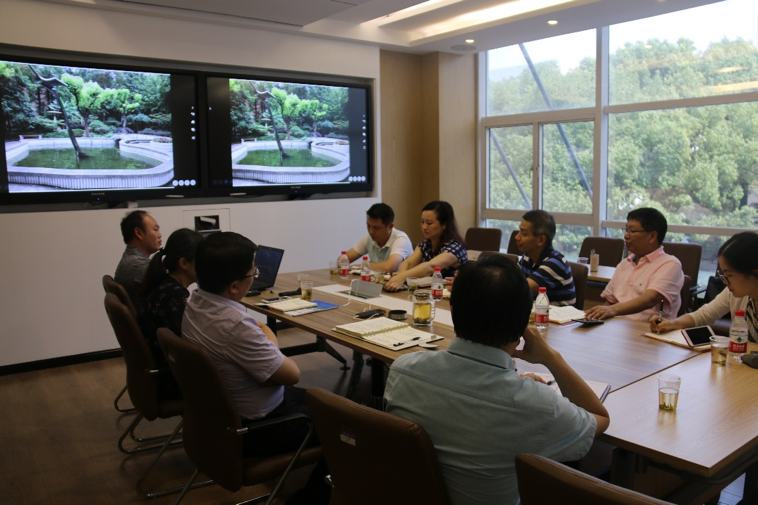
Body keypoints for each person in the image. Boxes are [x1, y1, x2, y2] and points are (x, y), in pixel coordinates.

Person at [384, 255, 610, 505]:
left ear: (453, 311)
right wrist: (552, 358)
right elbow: (598, 418)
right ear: (524, 324)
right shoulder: (538, 407)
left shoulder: (402, 370)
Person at [181, 232, 328, 503]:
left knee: (332, 402)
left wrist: (266, 359)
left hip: (219, 419)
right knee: (349, 426)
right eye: (253, 272)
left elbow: (260, 331)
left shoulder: (196, 301)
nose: (255, 276)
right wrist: (271, 353)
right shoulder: (235, 326)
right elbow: (291, 374)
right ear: (234, 286)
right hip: (258, 427)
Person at [650, 232, 758, 342]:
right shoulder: (735, 293)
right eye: (723, 275)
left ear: (754, 274)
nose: (725, 282)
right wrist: (671, 323)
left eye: (729, 275)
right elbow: (704, 315)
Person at [585, 208, 683, 321]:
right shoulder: (624, 264)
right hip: (616, 326)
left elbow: (650, 299)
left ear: (652, 236)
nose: (626, 236)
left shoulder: (670, 264)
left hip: (648, 329)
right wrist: (595, 317)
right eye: (626, 230)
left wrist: (613, 310)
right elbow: (610, 302)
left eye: (632, 231)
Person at [138, 228, 202, 370]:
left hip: (161, 364)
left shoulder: (164, 284)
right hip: (171, 371)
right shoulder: (175, 296)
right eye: (202, 260)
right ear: (183, 263)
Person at [384, 200, 467, 291]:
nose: (424, 227)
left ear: (444, 225)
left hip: (450, 294)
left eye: (429, 223)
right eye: (422, 222)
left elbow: (431, 266)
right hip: (429, 293)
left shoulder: (455, 247)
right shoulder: (425, 244)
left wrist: (402, 277)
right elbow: (407, 263)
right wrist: (402, 276)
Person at [515, 210, 576, 306]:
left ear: (541, 240)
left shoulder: (556, 263)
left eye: (524, 233)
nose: (517, 237)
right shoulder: (527, 258)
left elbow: (519, 289)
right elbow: (511, 280)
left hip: (558, 315)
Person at [344, 203, 413, 273]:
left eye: (376, 228)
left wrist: (359, 266)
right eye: (368, 226)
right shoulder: (369, 238)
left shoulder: (401, 239)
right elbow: (343, 260)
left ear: (390, 226)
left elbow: (389, 267)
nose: (371, 231)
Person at [114, 210, 162, 310]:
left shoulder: (130, 259)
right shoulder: (139, 266)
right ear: (139, 233)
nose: (160, 235)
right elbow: (171, 294)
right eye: (155, 230)